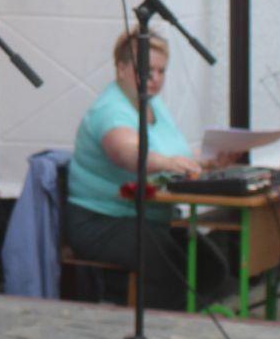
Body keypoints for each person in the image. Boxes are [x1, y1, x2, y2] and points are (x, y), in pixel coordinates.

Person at [64, 29, 206, 309]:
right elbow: (126, 153)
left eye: (161, 71)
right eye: (147, 70)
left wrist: (211, 159)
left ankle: (191, 321)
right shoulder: (110, 109)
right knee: (170, 265)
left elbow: (176, 154)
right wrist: (167, 164)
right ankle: (162, 327)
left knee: (209, 265)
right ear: (121, 68)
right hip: (103, 220)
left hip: (152, 215)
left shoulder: (152, 104)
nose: (155, 79)